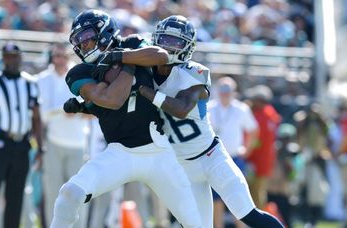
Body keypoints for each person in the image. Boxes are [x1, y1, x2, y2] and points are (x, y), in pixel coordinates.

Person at [52, 9, 203, 228]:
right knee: (69, 194)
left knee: (195, 221)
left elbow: (161, 55)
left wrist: (119, 57)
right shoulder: (79, 71)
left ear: (105, 32)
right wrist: (130, 65)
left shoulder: (131, 43)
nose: (83, 46)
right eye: (79, 43)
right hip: (120, 152)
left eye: (86, 39)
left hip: (159, 151)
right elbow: (112, 100)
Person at [138, 15, 284, 228]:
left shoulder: (194, 72)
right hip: (184, 168)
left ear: (187, 47)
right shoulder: (145, 74)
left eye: (175, 42)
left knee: (248, 215)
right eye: (164, 40)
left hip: (212, 158)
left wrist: (145, 92)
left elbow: (181, 109)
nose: (167, 47)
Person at [0, 42, 44, 228]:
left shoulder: (30, 83)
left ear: (20, 58)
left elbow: (36, 117)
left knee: (16, 198)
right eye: (8, 56)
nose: (12, 60)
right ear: (2, 58)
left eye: (15, 56)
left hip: (22, 146)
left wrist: (40, 147)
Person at [37, 42, 90, 228]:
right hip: (53, 142)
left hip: (78, 143)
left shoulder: (80, 73)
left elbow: (91, 111)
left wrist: (75, 110)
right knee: (52, 192)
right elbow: (43, 114)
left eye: (63, 55)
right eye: (56, 56)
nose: (59, 60)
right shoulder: (42, 79)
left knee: (78, 194)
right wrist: (64, 109)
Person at [208, 76, 258, 228]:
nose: (225, 93)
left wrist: (247, 150)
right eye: (222, 90)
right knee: (216, 199)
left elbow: (254, 130)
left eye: (228, 90)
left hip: (234, 157)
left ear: (234, 91)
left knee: (238, 197)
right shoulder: (210, 107)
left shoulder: (241, 109)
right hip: (214, 158)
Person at [245, 85, 282, 210]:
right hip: (257, 160)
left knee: (255, 195)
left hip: (255, 160)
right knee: (254, 194)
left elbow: (257, 141)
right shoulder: (270, 113)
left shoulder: (263, 115)